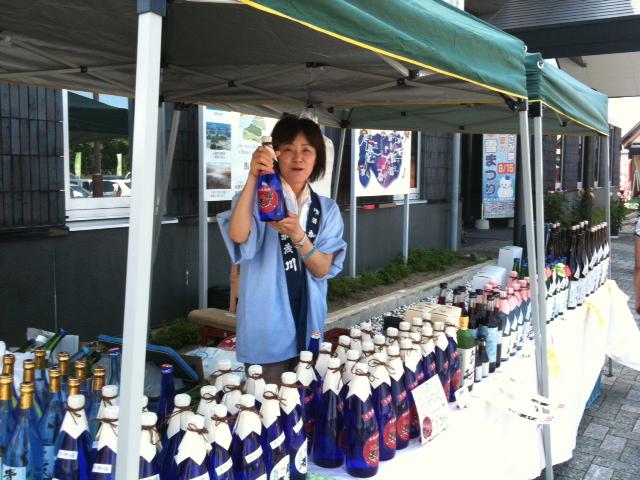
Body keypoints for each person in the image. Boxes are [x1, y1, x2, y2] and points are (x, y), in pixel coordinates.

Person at [217, 116, 347, 384]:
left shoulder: (327, 209)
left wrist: (299, 236)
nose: (297, 158)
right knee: (266, 404)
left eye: (306, 150)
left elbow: (322, 269)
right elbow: (238, 235)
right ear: (275, 154)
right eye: (288, 149)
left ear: (317, 158)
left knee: (305, 399)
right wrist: (253, 177)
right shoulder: (255, 200)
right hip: (265, 327)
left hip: (309, 323)